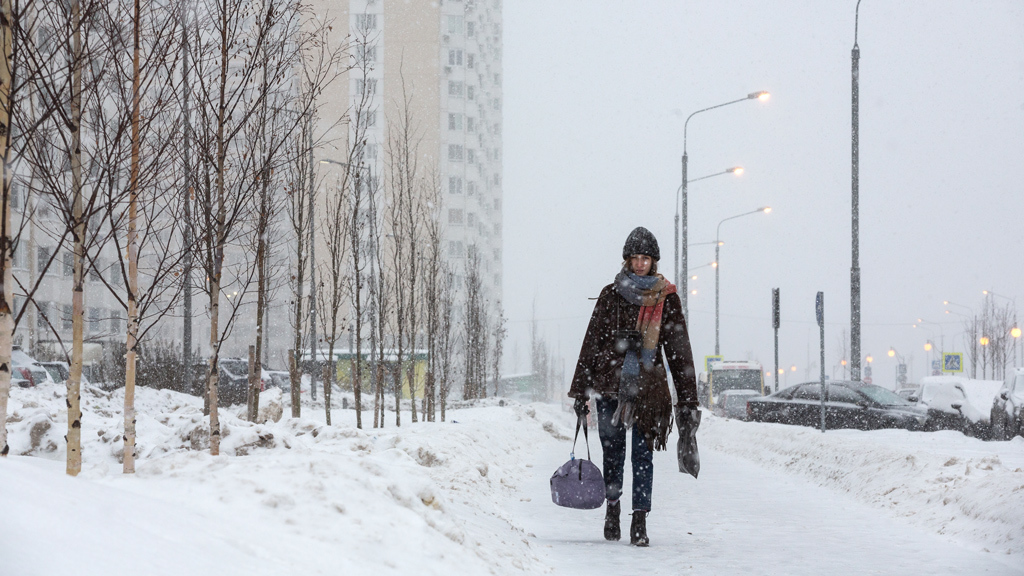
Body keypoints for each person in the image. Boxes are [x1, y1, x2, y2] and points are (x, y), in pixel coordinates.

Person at [568, 226, 699, 547]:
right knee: (612, 452)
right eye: (635, 258)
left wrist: (687, 399)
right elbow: (592, 342)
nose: (640, 264)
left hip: (648, 390)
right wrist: (581, 390)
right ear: (627, 259)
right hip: (610, 384)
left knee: (643, 455)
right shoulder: (611, 294)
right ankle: (612, 508)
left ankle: (639, 519)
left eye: (646, 258)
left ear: (654, 261)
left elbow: (679, 352)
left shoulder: (666, 298)